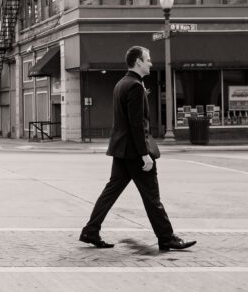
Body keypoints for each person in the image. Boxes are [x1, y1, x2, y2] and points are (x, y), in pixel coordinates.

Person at [79, 45, 196, 252]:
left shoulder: (122, 83)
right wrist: (145, 155)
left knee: (110, 192)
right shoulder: (134, 86)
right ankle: (167, 237)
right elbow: (136, 124)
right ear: (138, 62)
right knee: (152, 197)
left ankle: (90, 230)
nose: (151, 62)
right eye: (148, 59)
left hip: (121, 150)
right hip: (135, 152)